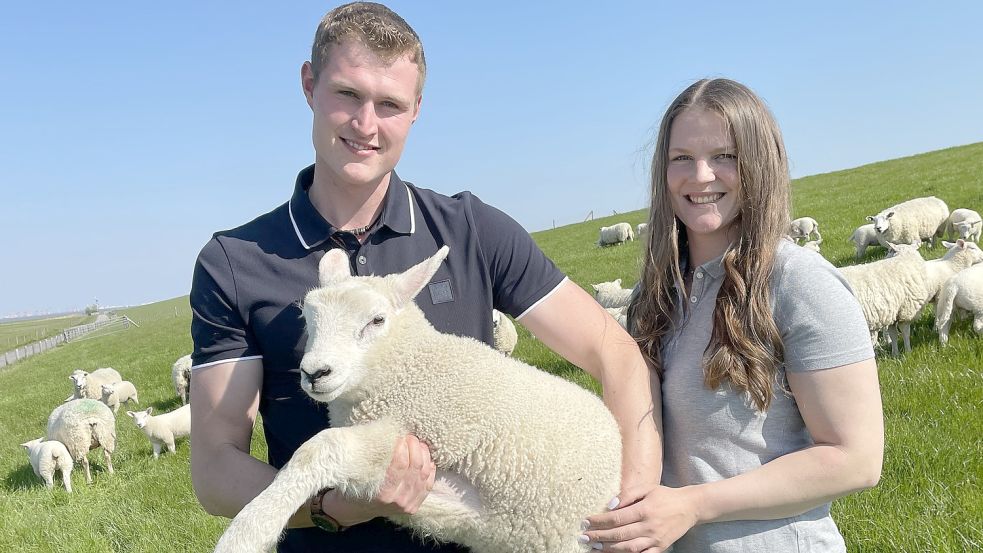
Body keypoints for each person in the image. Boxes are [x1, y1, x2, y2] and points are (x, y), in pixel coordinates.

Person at [188, 3, 660, 552]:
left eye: (390, 104)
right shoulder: (235, 262)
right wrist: (334, 508)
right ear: (309, 85)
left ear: (416, 110)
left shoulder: (469, 228)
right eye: (347, 94)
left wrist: (635, 501)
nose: (366, 125)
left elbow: (615, 352)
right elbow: (216, 469)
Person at [580, 79, 884, 552]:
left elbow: (856, 459)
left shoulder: (799, 283)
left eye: (725, 156)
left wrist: (693, 505)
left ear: (760, 164)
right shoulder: (655, 298)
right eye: (682, 158)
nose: (700, 176)